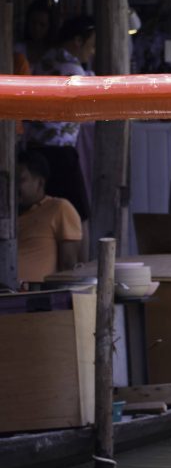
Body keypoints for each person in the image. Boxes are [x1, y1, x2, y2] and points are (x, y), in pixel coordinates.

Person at [24, 15, 95, 258]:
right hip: (61, 153)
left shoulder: (44, 61)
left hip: (36, 152)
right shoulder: (74, 71)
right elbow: (91, 115)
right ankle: (81, 275)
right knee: (78, 215)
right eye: (91, 44)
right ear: (77, 41)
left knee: (45, 214)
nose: (92, 51)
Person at [16, 150, 83, 286]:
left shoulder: (59, 208)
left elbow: (68, 265)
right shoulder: (7, 215)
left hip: (35, 298)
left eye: (20, 180)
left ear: (40, 183)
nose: (13, 186)